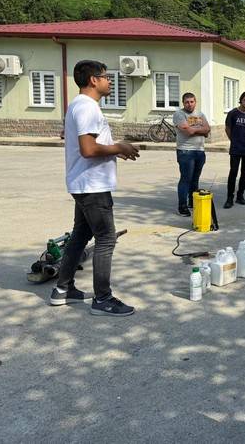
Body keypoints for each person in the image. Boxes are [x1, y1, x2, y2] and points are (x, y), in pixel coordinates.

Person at [49, 60, 139, 317]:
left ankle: (63, 290)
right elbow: (88, 150)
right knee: (106, 238)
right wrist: (120, 147)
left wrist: (116, 151)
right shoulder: (87, 107)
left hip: (83, 182)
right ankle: (103, 299)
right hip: (92, 185)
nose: (109, 81)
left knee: (80, 235)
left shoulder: (78, 105)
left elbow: (91, 146)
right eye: (106, 77)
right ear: (93, 80)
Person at [173, 92, 210, 216]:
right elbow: (188, 132)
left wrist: (194, 130)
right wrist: (200, 130)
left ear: (195, 102)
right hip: (185, 151)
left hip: (200, 151)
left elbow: (208, 129)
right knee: (186, 179)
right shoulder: (179, 114)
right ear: (183, 103)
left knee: (195, 179)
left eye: (192, 101)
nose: (189, 104)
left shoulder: (200, 114)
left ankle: (192, 202)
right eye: (187, 102)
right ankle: (182, 206)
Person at [224, 91, 245, 208]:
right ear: (241, 100)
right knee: (233, 172)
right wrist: (233, 139)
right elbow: (227, 128)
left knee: (244, 173)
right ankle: (229, 198)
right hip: (236, 148)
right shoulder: (233, 113)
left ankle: (240, 196)